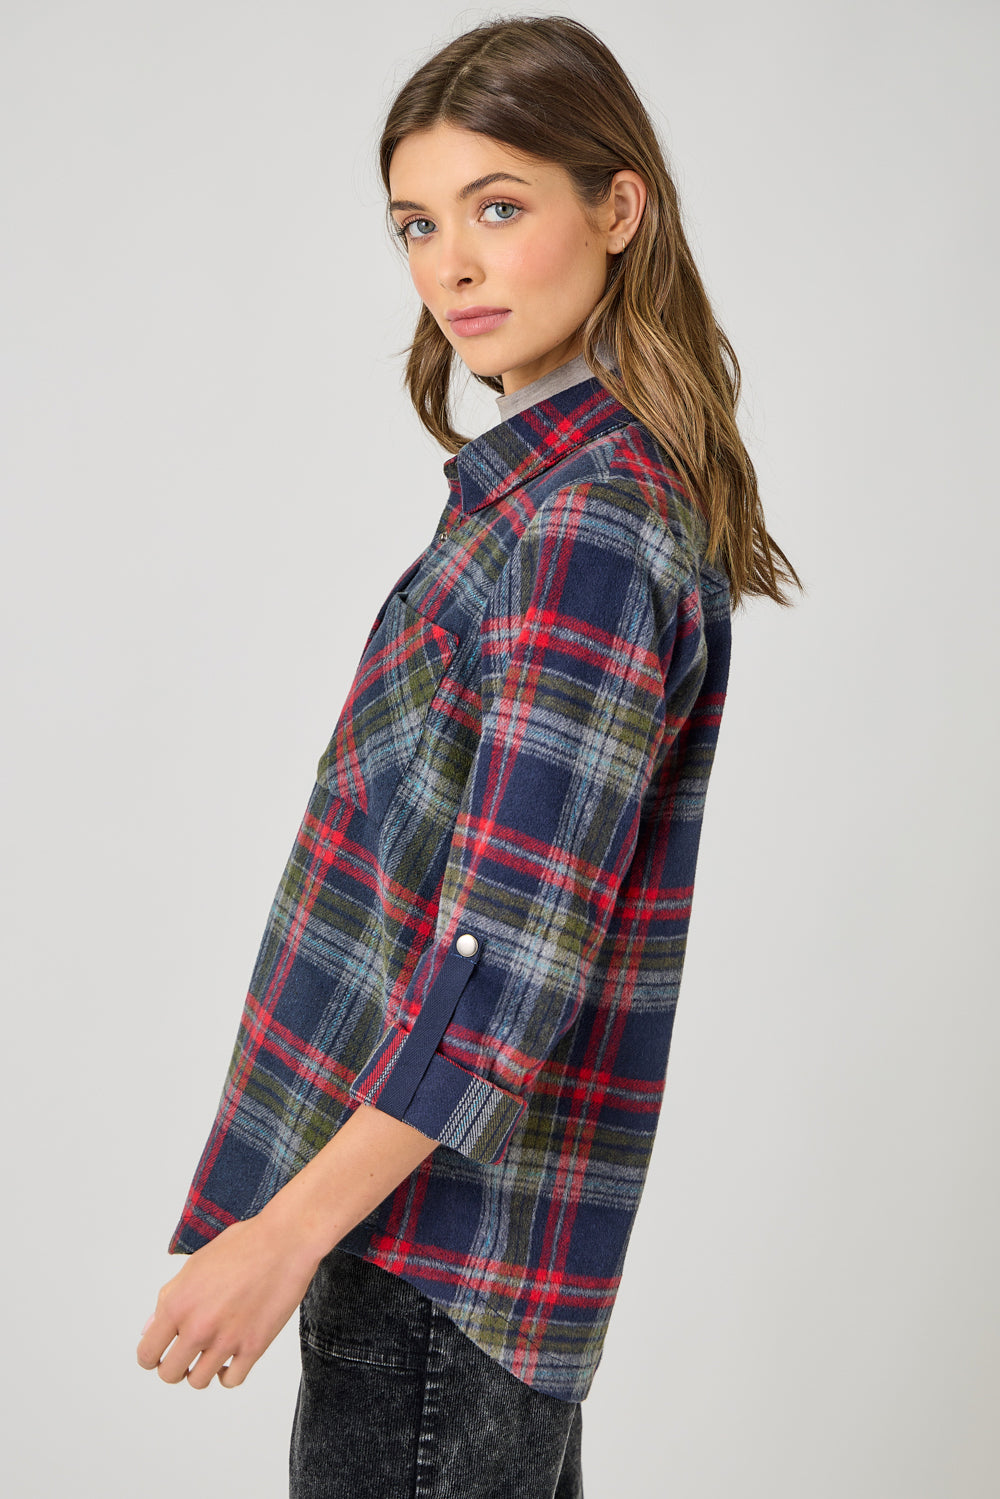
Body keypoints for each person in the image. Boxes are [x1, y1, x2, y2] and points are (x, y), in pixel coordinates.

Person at [137, 14, 802, 1497]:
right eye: (418, 224)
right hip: (442, 1261)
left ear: (618, 209)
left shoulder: (584, 528)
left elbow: (506, 966)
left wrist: (282, 1233)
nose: (451, 266)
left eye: (499, 207)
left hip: (434, 1267)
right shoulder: (546, 503)